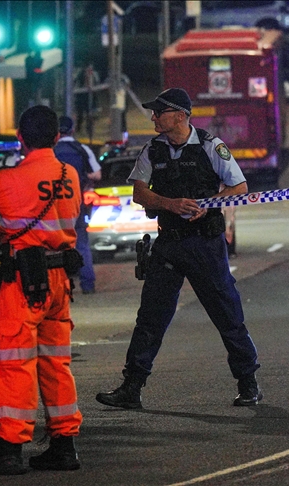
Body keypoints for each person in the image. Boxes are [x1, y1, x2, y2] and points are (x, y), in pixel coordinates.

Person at [95, 88, 262, 410]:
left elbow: (239, 187)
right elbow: (140, 194)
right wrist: (169, 204)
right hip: (169, 242)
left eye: (160, 112)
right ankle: (132, 387)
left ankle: (248, 383)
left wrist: (207, 205)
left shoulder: (211, 146)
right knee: (151, 318)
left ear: (181, 116)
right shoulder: (153, 150)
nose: (154, 117)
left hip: (204, 243)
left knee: (227, 315)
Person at [0, 105, 83, 476]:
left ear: (20, 138)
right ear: (57, 137)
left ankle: (11, 448)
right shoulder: (71, 175)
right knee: (56, 363)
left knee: (13, 364)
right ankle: (64, 445)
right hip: (60, 282)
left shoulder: (5, 181)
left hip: (19, 283)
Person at [54, 115, 101, 294]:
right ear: (73, 130)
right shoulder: (81, 149)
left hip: (53, 204)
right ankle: (87, 285)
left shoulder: (51, 150)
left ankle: (60, 287)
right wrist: (81, 177)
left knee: (55, 245)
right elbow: (96, 175)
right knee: (81, 243)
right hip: (76, 202)